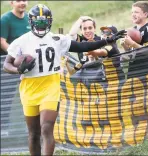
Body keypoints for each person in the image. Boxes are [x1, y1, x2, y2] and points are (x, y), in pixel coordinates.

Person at [3, 4, 125, 156]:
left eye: (44, 22)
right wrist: (18, 70)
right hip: (29, 88)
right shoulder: (21, 42)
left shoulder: (57, 39)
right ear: (31, 22)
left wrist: (107, 41)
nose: (41, 26)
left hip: (50, 87)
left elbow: (83, 46)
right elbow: (7, 64)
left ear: (50, 22)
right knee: (34, 133)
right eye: (38, 22)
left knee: (47, 127)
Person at [120, 1, 148, 79]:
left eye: (136, 12)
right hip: (133, 71)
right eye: (132, 12)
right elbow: (132, 55)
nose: (133, 14)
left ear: (145, 14)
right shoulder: (133, 29)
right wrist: (125, 46)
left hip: (146, 73)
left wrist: (133, 43)